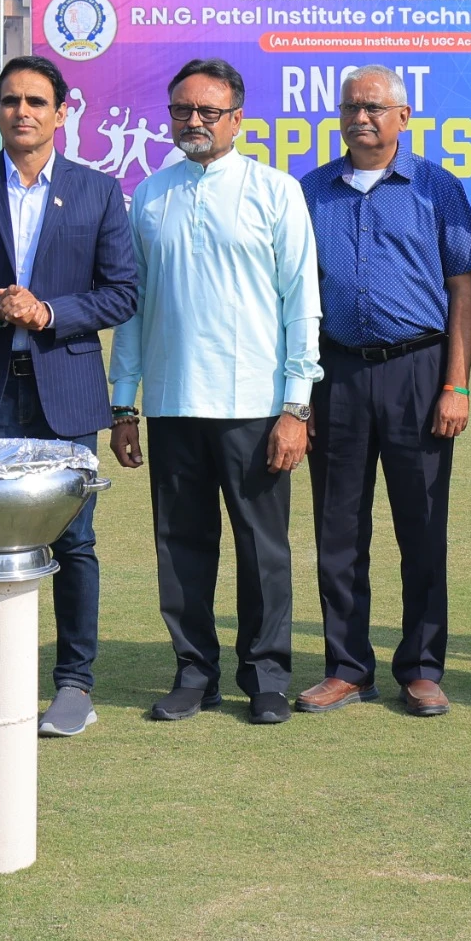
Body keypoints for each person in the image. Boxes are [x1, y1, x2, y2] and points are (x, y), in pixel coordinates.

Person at [0, 55, 137, 738]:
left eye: (36, 101)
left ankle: (73, 685)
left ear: (61, 113)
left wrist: (49, 313)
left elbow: (122, 292)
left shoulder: (98, 191)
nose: (22, 112)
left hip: (64, 392)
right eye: (10, 100)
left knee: (75, 539)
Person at [108, 59, 319, 725]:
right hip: (172, 404)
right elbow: (133, 309)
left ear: (237, 118)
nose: (193, 121)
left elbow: (301, 303)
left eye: (208, 111)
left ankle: (266, 677)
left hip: (255, 407)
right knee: (180, 547)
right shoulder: (151, 196)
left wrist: (296, 406)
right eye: (182, 110)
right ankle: (194, 673)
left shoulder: (275, 191)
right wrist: (124, 403)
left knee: (263, 550)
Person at [297, 65, 471, 718]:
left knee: (422, 527)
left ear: (403, 117)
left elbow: (463, 289)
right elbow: (296, 296)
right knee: (338, 530)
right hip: (336, 374)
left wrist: (456, 384)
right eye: (351, 106)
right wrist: (300, 395)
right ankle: (347, 668)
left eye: (375, 107)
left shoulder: (437, 187)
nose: (361, 117)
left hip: (420, 372)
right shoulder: (311, 191)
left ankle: (422, 668)